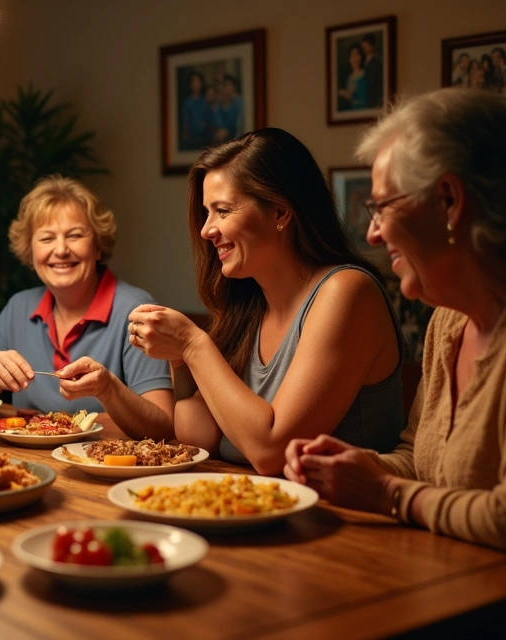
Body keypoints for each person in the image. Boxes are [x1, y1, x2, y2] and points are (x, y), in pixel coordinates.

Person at [284, 89, 506, 555]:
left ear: (450, 200)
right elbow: (420, 460)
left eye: (383, 207)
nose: (372, 232)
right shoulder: (448, 322)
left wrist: (383, 494)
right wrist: (355, 467)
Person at [128, 128, 404, 475]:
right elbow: (198, 436)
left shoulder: (347, 291)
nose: (206, 230)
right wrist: (181, 359)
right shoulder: (250, 304)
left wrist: (191, 343)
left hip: (346, 520)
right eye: (206, 212)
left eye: (222, 210)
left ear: (279, 213)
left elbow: (273, 452)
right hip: (254, 510)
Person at [0, 176, 174, 440]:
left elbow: (164, 427)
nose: (61, 250)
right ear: (29, 253)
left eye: (75, 235)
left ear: (98, 246)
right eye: (46, 239)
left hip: (103, 468)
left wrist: (109, 389)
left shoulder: (136, 311)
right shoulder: (18, 307)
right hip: (29, 460)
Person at [180, 71, 212, 150]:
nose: (196, 84)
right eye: (193, 82)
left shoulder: (205, 101)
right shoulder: (187, 102)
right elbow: (185, 120)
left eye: (198, 81)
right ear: (190, 84)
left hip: (205, 136)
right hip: (192, 138)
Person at [210, 74, 244, 144]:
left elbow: (240, 126)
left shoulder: (239, 103)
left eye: (226, 86)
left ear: (234, 87)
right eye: (223, 86)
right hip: (224, 138)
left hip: (238, 137)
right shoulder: (218, 106)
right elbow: (219, 127)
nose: (224, 89)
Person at [339, 43, 369, 111]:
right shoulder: (348, 78)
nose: (355, 58)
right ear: (349, 59)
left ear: (361, 57)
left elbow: (351, 95)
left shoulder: (366, 75)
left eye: (357, 55)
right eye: (352, 55)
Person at [361, 32, 384, 107]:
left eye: (367, 45)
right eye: (364, 45)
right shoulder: (361, 61)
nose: (365, 48)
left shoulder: (377, 62)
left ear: (372, 46)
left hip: (373, 98)